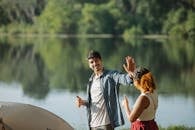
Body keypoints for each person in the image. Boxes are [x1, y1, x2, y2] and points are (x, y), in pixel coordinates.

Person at [76, 50, 136, 130]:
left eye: (96, 60)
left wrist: (131, 75)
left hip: (106, 124)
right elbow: (93, 102)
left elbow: (123, 79)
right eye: (91, 62)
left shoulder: (111, 75)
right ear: (89, 65)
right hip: (92, 124)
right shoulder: (91, 80)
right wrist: (83, 102)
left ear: (101, 60)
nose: (94, 64)